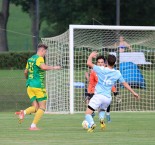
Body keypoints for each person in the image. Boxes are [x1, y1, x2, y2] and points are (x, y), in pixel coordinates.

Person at [84, 51, 140, 133]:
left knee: (88, 113)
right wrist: (134, 92)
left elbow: (88, 63)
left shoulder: (101, 69)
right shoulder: (117, 73)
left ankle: (92, 124)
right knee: (102, 110)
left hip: (99, 96)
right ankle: (102, 120)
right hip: (108, 98)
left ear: (106, 62)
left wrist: (90, 55)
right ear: (114, 63)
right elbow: (124, 83)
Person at [15, 43, 61, 131]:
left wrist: (28, 79)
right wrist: (54, 67)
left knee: (35, 108)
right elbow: (43, 67)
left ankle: (23, 112)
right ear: (42, 50)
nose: (45, 54)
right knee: (42, 107)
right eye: (45, 52)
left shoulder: (30, 59)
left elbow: (25, 72)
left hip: (29, 86)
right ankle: (33, 126)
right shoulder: (39, 59)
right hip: (38, 86)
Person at [85, 56, 117, 123]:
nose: (100, 64)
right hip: (95, 92)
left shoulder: (107, 71)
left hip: (103, 93)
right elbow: (91, 83)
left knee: (101, 105)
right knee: (98, 106)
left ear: (105, 63)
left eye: (102, 62)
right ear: (96, 63)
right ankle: (100, 117)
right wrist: (88, 93)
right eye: (98, 62)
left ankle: (106, 116)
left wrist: (114, 91)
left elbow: (110, 83)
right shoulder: (94, 72)